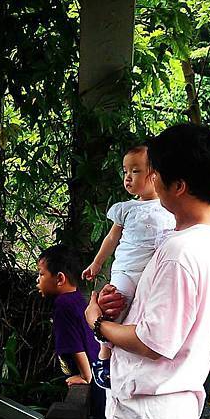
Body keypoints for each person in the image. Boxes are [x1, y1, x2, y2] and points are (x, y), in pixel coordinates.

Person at [85, 123, 210, 419]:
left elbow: (152, 343)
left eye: (156, 173)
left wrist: (98, 323)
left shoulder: (180, 252)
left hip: (150, 418)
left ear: (177, 185)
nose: (151, 180)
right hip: (170, 411)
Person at [81, 145, 176, 388]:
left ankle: (124, 362)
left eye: (135, 171)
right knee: (115, 309)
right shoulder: (126, 208)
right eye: (125, 171)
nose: (128, 177)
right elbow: (111, 239)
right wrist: (97, 263)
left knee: (142, 316)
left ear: (154, 174)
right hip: (125, 270)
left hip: (152, 273)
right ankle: (104, 356)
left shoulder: (170, 208)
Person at [36, 245, 107, 419]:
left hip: (94, 379)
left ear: (60, 278)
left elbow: (76, 346)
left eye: (41, 275)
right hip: (101, 373)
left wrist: (85, 375)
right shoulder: (76, 298)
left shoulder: (62, 306)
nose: (38, 281)